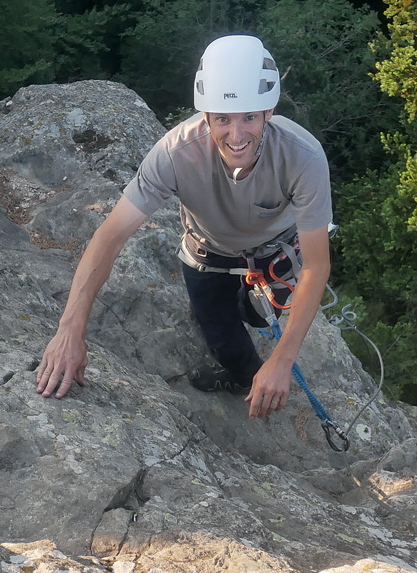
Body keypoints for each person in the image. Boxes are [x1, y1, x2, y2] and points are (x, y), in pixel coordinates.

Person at [35, 35, 332, 419]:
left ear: (269, 111)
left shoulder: (302, 158)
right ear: (206, 115)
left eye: (249, 117)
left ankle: (254, 318)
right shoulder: (176, 153)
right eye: (223, 118)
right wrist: (69, 329)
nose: (237, 135)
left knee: (258, 314)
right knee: (219, 331)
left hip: (272, 251)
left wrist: (282, 360)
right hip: (207, 253)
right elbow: (111, 235)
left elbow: (316, 265)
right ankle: (243, 374)